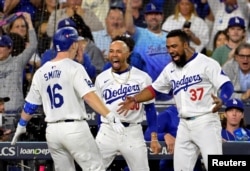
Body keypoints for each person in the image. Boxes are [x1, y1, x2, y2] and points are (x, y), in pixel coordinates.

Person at [117, 29, 234, 171]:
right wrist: (136, 98)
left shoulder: (206, 63)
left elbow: (227, 85)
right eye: (168, 47)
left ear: (185, 45)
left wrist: (223, 99)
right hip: (184, 125)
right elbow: (153, 89)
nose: (170, 51)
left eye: (174, 46)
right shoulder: (170, 69)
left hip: (206, 122)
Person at [10, 27, 125, 171]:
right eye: (77, 42)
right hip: (74, 128)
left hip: (52, 132)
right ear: (73, 45)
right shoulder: (75, 67)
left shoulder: (41, 72)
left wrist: (21, 125)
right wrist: (109, 115)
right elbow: (89, 96)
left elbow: (30, 105)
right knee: (96, 168)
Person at [94, 35, 161, 171]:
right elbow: (98, 109)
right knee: (93, 168)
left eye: (118, 51)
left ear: (128, 53)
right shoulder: (101, 78)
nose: (114, 55)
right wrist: (101, 129)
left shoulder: (142, 77)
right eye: (111, 51)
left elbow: (150, 109)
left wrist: (154, 137)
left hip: (132, 132)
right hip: (108, 130)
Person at [125, 1, 172, 101]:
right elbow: (128, 27)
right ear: (145, 17)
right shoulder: (139, 34)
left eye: (157, 14)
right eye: (150, 14)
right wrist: (129, 4)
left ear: (162, 17)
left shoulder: (169, 37)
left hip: (168, 90)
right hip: (145, 90)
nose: (153, 17)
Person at [144, 105, 203, 171]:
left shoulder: (200, 114)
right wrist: (164, 135)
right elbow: (147, 136)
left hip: (195, 165)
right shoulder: (166, 115)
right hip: (170, 166)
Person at [0, 12, 37, 113]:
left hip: (16, 113)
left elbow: (33, 45)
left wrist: (29, 22)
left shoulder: (17, 62)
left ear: (10, 48)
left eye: (2, 46)